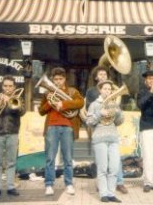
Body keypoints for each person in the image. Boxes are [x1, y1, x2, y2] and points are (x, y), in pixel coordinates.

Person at [38, 67, 84, 196]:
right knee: (50, 158)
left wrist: (63, 104)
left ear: (64, 79)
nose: (58, 81)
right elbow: (41, 111)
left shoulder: (72, 91)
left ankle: (69, 184)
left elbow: (80, 102)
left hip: (67, 127)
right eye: (55, 79)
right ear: (52, 80)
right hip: (52, 127)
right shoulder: (47, 93)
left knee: (68, 158)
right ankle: (49, 184)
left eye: (60, 79)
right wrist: (50, 101)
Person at [85, 65, 128, 194]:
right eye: (100, 74)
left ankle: (117, 184)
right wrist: (99, 112)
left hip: (112, 132)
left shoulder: (113, 94)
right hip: (99, 129)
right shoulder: (91, 92)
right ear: (96, 77)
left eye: (105, 74)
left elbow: (119, 121)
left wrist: (117, 112)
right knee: (102, 163)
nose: (103, 76)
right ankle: (102, 186)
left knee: (115, 163)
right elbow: (89, 115)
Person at [0, 75, 26, 198]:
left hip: (13, 133)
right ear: (2, 87)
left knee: (11, 162)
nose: (8, 88)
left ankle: (10, 187)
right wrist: (0, 102)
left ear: (14, 87)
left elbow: (22, 112)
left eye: (10, 86)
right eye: (5, 86)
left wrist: (10, 101)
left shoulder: (18, 98)